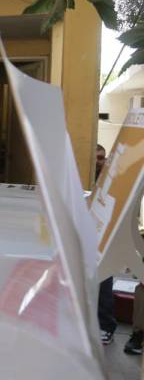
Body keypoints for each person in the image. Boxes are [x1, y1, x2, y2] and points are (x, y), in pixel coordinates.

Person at [95, 143, 117, 344]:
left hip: (104, 240)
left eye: (101, 159)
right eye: (94, 158)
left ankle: (106, 325)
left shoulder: (112, 181)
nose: (98, 163)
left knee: (103, 282)